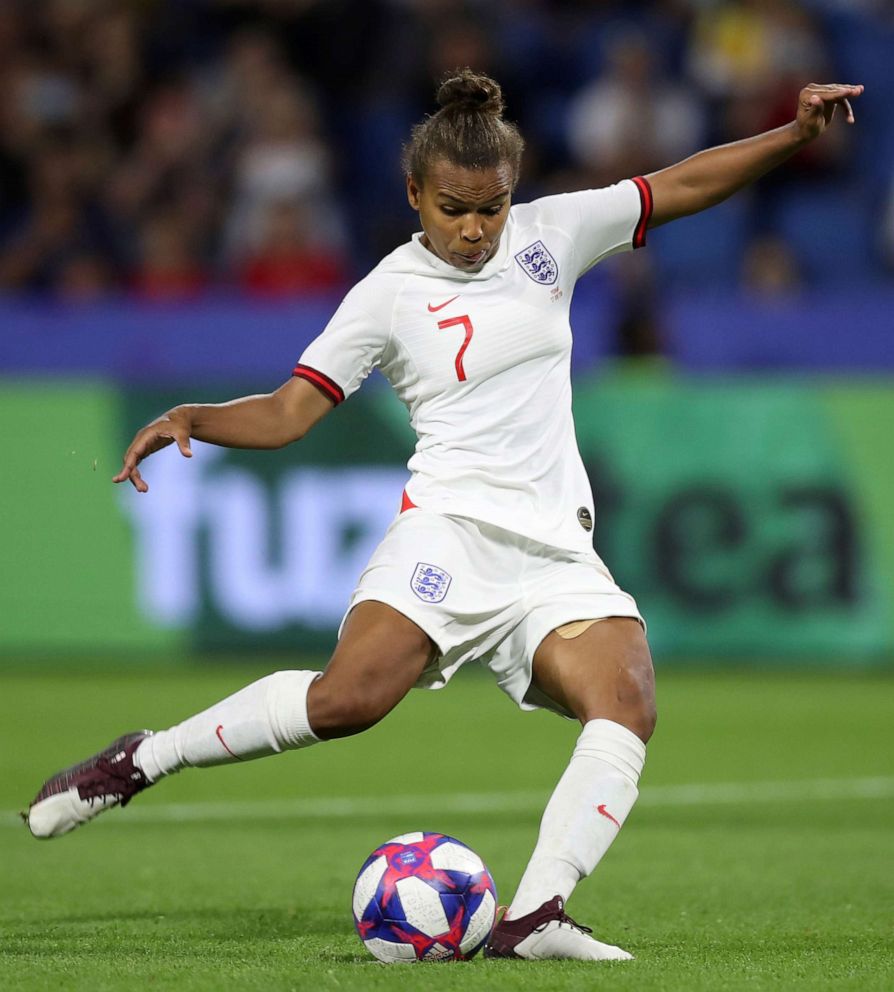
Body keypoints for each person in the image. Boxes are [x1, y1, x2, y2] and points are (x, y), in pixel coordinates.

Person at [25, 70, 862, 962]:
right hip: (449, 532)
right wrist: (195, 419)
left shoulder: (553, 234)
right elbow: (290, 410)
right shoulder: (387, 294)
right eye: (455, 209)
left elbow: (683, 184)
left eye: (492, 208)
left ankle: (536, 915)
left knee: (627, 699)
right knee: (347, 700)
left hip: (551, 547)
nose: (475, 230)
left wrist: (792, 135)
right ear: (414, 193)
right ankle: (144, 759)